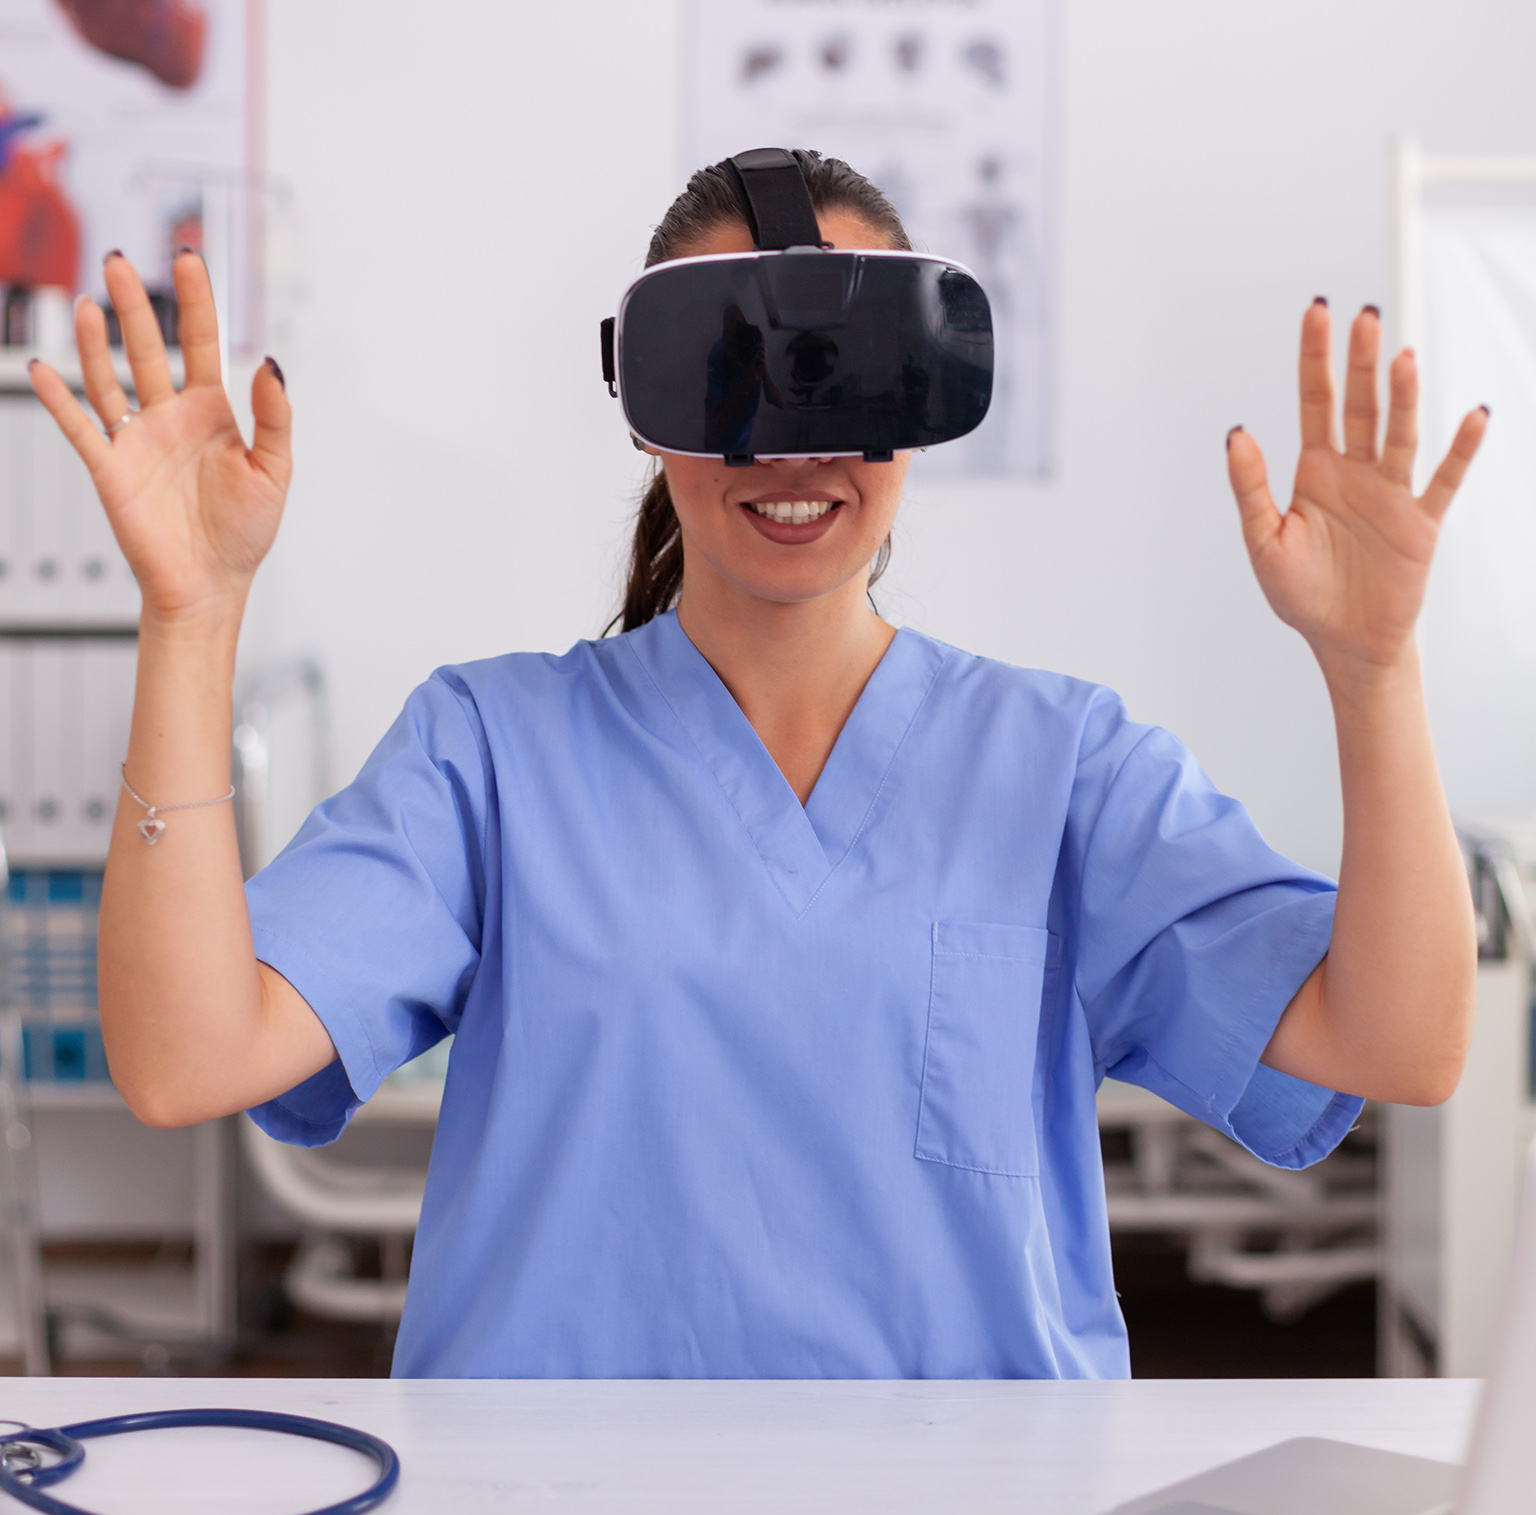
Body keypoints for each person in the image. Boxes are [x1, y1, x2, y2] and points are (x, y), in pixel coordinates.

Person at [28, 153, 1488, 1378]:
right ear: (648, 407)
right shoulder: (490, 752)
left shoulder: (1060, 767)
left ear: (920, 404)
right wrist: (192, 614)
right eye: (733, 380)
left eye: (846, 383)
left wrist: (1375, 671)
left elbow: (1401, 1043)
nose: (793, 449)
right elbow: (181, 1060)